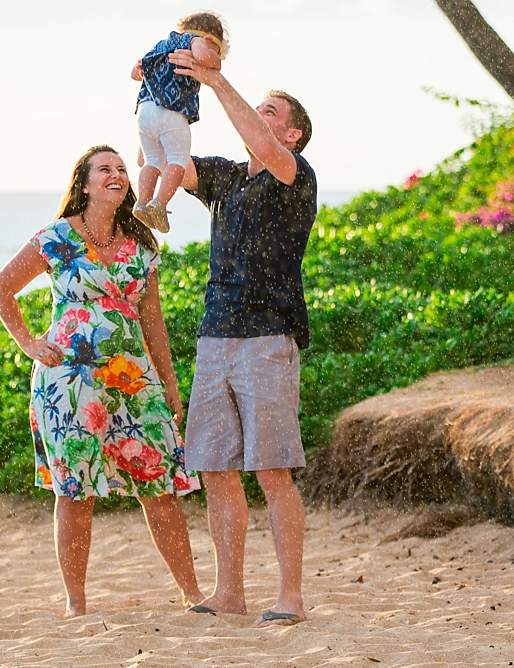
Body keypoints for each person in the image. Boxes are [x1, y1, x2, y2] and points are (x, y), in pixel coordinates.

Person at [0, 145, 203, 617]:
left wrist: (168, 383)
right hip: (71, 382)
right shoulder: (57, 237)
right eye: (105, 169)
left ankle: (192, 592)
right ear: (84, 184)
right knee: (75, 490)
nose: (118, 174)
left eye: (123, 169)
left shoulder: (141, 244)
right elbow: (1, 288)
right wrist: (28, 342)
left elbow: (154, 323)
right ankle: (77, 604)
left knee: (160, 483)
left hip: (134, 380)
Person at [167, 45, 316, 629]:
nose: (260, 115)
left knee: (271, 471)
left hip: (267, 339)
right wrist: (164, 89)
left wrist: (216, 78)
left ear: (295, 134)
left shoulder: (293, 174)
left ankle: (291, 597)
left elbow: (262, 145)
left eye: (272, 111)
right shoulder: (227, 179)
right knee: (215, 469)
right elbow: (167, 156)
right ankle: (230, 592)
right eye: (261, 109)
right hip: (214, 338)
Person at [129, 11, 227, 234]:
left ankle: (142, 201)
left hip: (144, 110)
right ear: (210, 39)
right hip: (171, 109)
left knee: (151, 160)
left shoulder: (161, 44)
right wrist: (215, 62)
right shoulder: (196, 41)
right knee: (178, 159)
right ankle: (160, 204)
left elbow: (136, 72)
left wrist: (138, 71)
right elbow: (204, 56)